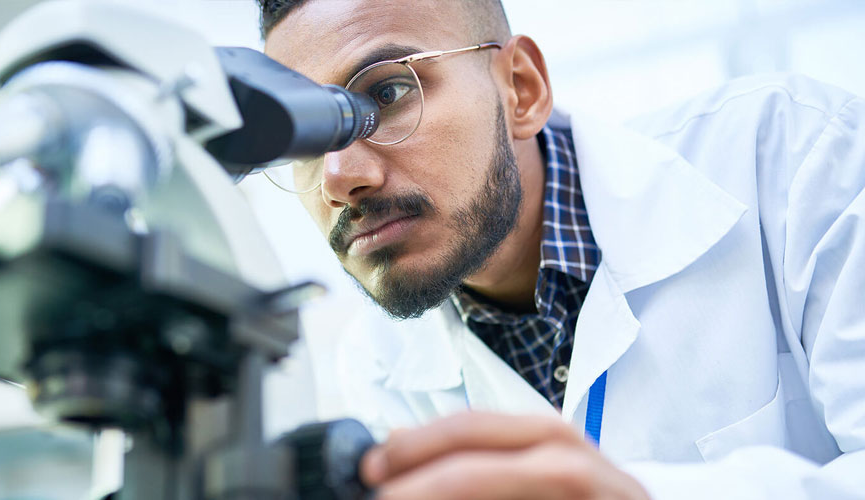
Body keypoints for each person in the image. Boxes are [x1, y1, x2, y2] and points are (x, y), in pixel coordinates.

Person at [254, 1, 865, 499]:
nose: (337, 178)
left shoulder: (795, 155)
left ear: (521, 89)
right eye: (304, 136)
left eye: (384, 96)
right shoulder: (380, 368)